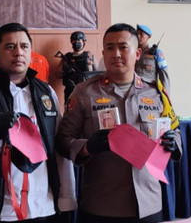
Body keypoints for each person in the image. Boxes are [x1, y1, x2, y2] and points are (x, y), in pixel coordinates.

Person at [56, 23, 181, 223]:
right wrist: (87, 147)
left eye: (123, 47)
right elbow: (63, 140)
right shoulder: (84, 92)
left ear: (138, 53)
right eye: (110, 48)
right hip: (101, 204)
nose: (116, 54)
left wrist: (174, 143)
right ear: (103, 54)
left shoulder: (156, 92)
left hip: (148, 203)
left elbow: (175, 129)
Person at [0, 22, 76, 223]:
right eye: (10, 47)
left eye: (24, 46)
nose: (18, 52)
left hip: (43, 206)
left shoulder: (47, 92)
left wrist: (67, 199)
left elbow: (58, 148)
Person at [56, 31, 96, 102]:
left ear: (83, 42)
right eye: (74, 40)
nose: (76, 42)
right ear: (71, 42)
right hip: (70, 91)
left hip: (86, 90)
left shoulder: (89, 56)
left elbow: (96, 74)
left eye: (79, 40)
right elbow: (57, 75)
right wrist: (64, 70)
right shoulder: (66, 57)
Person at [134, 24, 170, 94]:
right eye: (137, 34)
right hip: (134, 90)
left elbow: (164, 75)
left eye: (141, 34)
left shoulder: (156, 53)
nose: (138, 36)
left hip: (150, 91)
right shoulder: (131, 52)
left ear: (148, 37)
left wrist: (166, 95)